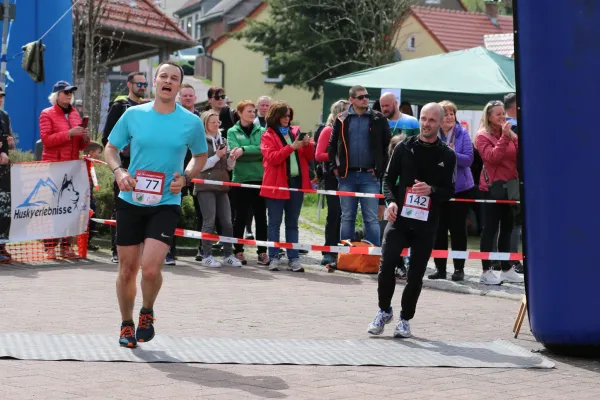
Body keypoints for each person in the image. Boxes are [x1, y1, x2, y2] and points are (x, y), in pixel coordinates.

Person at [104, 61, 208, 348]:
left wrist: (186, 177)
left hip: (166, 200)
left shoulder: (191, 122)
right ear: (154, 82)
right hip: (131, 199)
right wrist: (119, 171)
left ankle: (146, 311)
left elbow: (200, 156)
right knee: (127, 268)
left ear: (179, 86)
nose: (168, 81)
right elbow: (110, 148)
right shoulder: (133, 115)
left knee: (150, 268)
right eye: (163, 75)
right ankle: (126, 324)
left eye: (174, 78)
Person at [367, 103, 456, 338]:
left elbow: (450, 190)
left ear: (440, 123)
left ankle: (405, 319)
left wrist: (432, 190)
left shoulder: (447, 155)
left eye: (432, 121)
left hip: (427, 224)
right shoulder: (404, 147)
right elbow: (388, 179)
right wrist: (391, 202)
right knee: (386, 267)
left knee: (415, 274)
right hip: (399, 218)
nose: (426, 124)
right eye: (424, 119)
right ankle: (384, 310)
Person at [328, 85, 390, 246]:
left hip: (370, 177)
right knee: (347, 217)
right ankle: (345, 256)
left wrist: (379, 169)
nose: (365, 99)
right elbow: (332, 145)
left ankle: (374, 258)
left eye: (366, 96)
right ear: (351, 100)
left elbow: (387, 147)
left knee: (371, 218)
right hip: (346, 176)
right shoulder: (342, 118)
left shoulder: (378, 118)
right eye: (361, 97)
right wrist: (334, 167)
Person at [261, 101, 314, 272]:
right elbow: (273, 158)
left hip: (295, 183)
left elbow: (310, 156)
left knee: (292, 223)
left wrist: (307, 144)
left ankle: (294, 258)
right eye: (284, 115)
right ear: (275, 116)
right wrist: (291, 147)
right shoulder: (267, 135)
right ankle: (274, 257)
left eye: (289, 115)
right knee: (274, 223)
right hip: (276, 185)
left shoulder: (295, 132)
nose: (287, 118)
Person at [102, 71, 147, 264]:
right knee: (122, 206)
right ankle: (116, 249)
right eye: (139, 84)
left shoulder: (149, 109)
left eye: (145, 84)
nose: (142, 87)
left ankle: (141, 248)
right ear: (129, 85)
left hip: (145, 166)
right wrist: (119, 164)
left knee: (144, 204)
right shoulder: (120, 106)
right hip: (125, 165)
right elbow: (107, 139)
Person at [475, 101, 523, 285]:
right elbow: (492, 158)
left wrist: (512, 137)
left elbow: (518, 153)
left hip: (510, 188)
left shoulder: (509, 134)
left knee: (508, 229)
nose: (502, 117)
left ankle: (506, 269)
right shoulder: (482, 137)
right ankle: (486, 271)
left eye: (503, 113)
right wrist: (505, 137)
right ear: (488, 117)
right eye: (498, 114)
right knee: (490, 230)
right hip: (491, 189)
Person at [40, 80, 88, 259]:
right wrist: (69, 134)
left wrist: (84, 138)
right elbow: (46, 140)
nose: (69, 94)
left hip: (73, 166)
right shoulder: (47, 113)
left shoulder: (76, 114)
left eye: (71, 92)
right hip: (55, 166)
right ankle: (50, 247)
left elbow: (82, 146)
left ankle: (66, 246)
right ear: (56, 95)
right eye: (65, 92)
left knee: (70, 208)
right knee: (54, 208)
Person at [429, 101, 474, 282]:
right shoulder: (432, 134)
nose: (449, 117)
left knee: (458, 231)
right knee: (438, 230)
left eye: (451, 114)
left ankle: (459, 269)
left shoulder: (463, 133)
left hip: (460, 189)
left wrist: (449, 154)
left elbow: (469, 160)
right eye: (445, 114)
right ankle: (440, 268)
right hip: (438, 188)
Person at [193, 110, 241, 268]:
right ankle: (206, 255)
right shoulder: (199, 141)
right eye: (213, 122)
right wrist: (217, 156)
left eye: (218, 122)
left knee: (227, 222)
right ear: (205, 124)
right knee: (209, 221)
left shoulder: (223, 140)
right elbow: (200, 165)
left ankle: (228, 254)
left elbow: (227, 167)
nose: (216, 124)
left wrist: (231, 160)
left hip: (222, 186)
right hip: (205, 185)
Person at [227, 101, 270, 266]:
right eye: (249, 111)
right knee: (240, 217)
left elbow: (264, 150)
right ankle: (238, 250)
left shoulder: (262, 131)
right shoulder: (232, 131)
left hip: (260, 179)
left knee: (261, 218)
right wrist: (250, 150)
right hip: (241, 179)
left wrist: (244, 150)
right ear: (240, 113)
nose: (253, 113)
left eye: (254, 111)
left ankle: (262, 252)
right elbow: (233, 150)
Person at [315, 99, 348, 265]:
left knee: (345, 215)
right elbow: (318, 154)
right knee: (334, 214)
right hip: (331, 178)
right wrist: (338, 158)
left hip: (348, 178)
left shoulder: (349, 131)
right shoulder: (328, 130)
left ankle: (343, 251)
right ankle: (328, 250)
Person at [83, 142, 103, 251]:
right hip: (84, 198)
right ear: (91, 152)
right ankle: (84, 242)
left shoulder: (89, 164)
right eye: (99, 153)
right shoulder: (84, 163)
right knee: (89, 219)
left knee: (92, 216)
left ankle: (87, 242)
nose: (100, 155)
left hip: (89, 196)